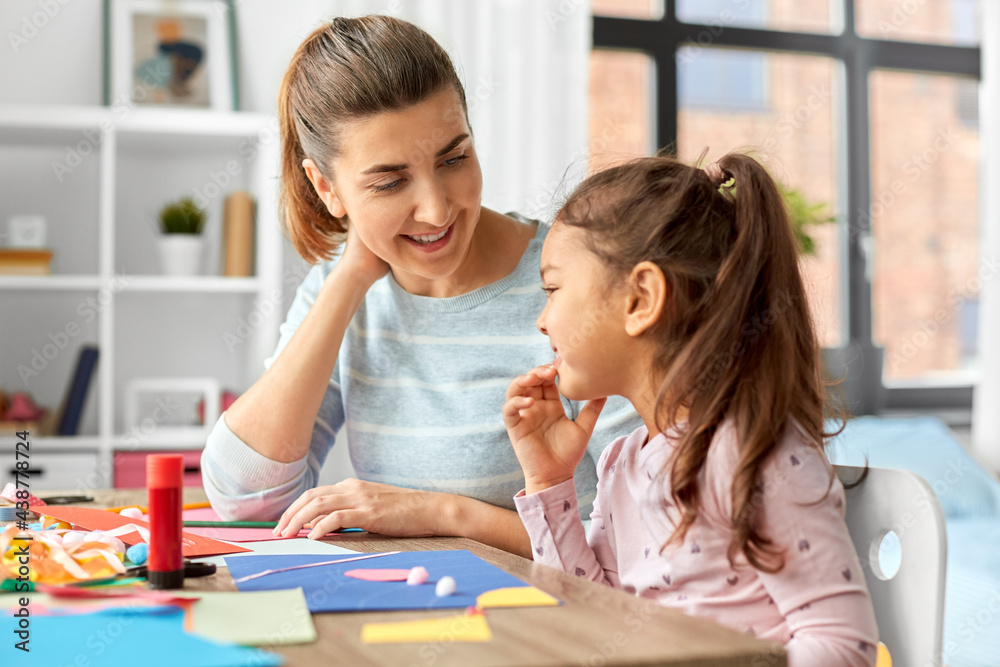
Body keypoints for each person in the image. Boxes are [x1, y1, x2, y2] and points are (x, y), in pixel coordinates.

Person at [199, 15, 639, 558]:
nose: (435, 208)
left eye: (454, 158)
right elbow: (244, 499)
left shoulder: (578, 279)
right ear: (327, 188)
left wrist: (443, 514)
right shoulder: (346, 291)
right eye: (389, 182)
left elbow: (641, 538)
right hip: (414, 618)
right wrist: (350, 279)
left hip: (571, 628)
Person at [503, 153, 879, 665]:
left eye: (552, 290)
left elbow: (843, 646)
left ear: (641, 299)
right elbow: (591, 614)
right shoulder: (622, 461)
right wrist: (548, 481)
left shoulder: (752, 456)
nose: (542, 322)